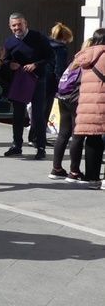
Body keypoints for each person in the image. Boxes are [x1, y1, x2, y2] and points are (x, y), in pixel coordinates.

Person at [2, 13, 53, 160]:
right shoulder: (9, 42)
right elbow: (4, 60)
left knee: (38, 115)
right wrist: (10, 64)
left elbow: (50, 57)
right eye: (14, 25)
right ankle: (16, 145)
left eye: (20, 24)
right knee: (18, 114)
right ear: (10, 26)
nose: (17, 27)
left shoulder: (38, 37)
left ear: (26, 24)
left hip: (37, 80)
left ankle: (40, 147)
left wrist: (35, 64)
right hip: (19, 80)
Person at [68, 29, 105, 189]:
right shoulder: (103, 55)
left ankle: (92, 178)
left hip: (86, 103)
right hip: (101, 103)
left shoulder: (85, 55)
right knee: (97, 140)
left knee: (92, 138)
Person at [50, 38, 88, 184]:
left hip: (63, 98)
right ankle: (74, 171)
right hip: (75, 100)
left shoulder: (75, 61)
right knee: (77, 135)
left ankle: (56, 168)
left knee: (63, 133)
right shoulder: (88, 63)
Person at [44, 22, 74, 133]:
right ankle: (40, 136)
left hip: (41, 79)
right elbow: (59, 68)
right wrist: (61, 85)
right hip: (51, 81)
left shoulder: (45, 44)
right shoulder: (61, 49)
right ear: (65, 38)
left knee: (39, 109)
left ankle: (34, 135)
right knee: (46, 109)